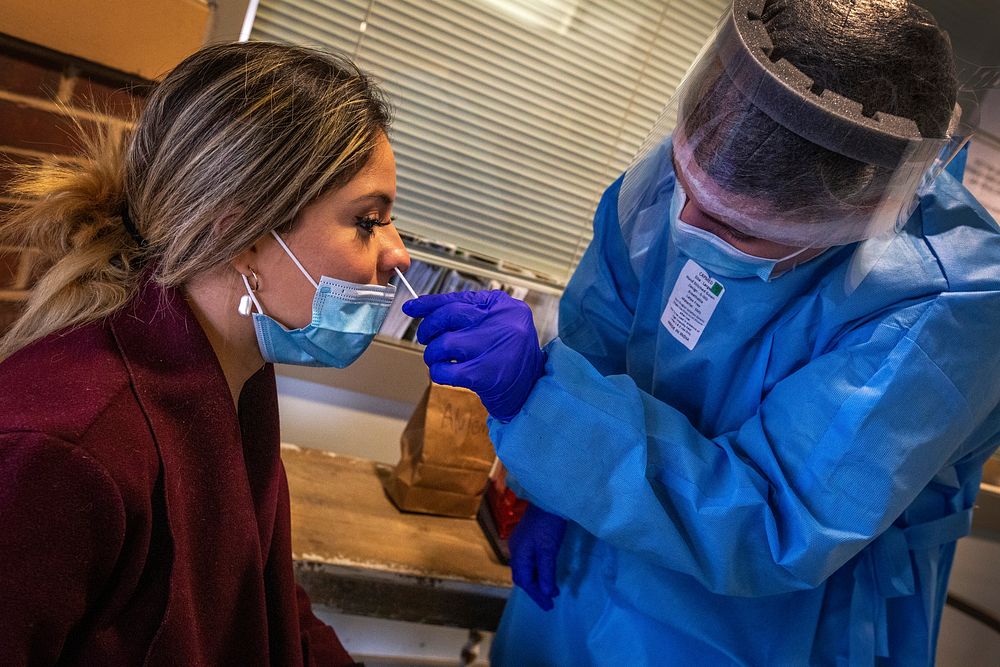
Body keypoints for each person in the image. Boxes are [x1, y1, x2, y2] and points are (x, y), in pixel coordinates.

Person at [401, 0, 1000, 664]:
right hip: (591, 544)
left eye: (734, 229)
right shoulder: (713, 155)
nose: (684, 223)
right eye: (686, 183)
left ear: (864, 210)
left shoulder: (951, 306)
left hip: (766, 623)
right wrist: (550, 487)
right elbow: (600, 326)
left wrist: (545, 405)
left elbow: (777, 516)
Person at [0, 41, 410, 665]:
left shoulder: (235, 376)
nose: (398, 253)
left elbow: (263, 599)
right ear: (237, 233)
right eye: (366, 220)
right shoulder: (66, 452)